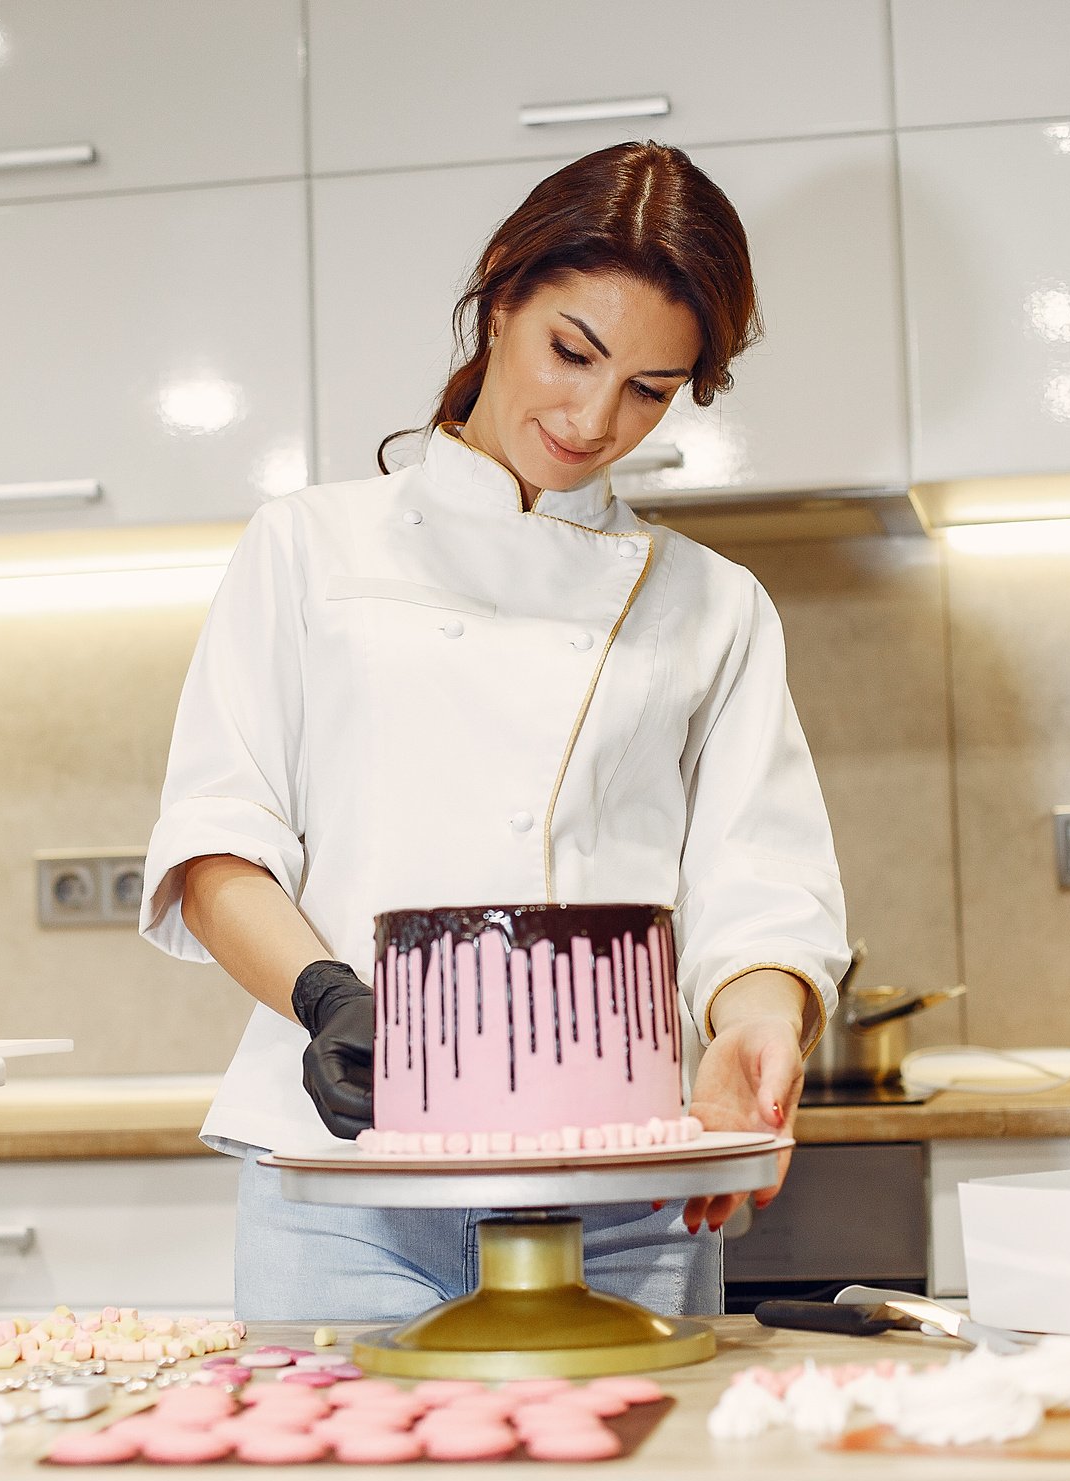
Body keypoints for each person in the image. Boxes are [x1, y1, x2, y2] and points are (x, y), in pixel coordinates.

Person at [139, 141, 849, 1321]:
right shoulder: (310, 548)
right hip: (347, 1185)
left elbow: (762, 889)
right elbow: (217, 845)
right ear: (500, 295)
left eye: (649, 389)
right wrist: (332, 999)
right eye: (572, 352)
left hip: (625, 1194)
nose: (591, 417)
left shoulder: (713, 604)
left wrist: (762, 1024)